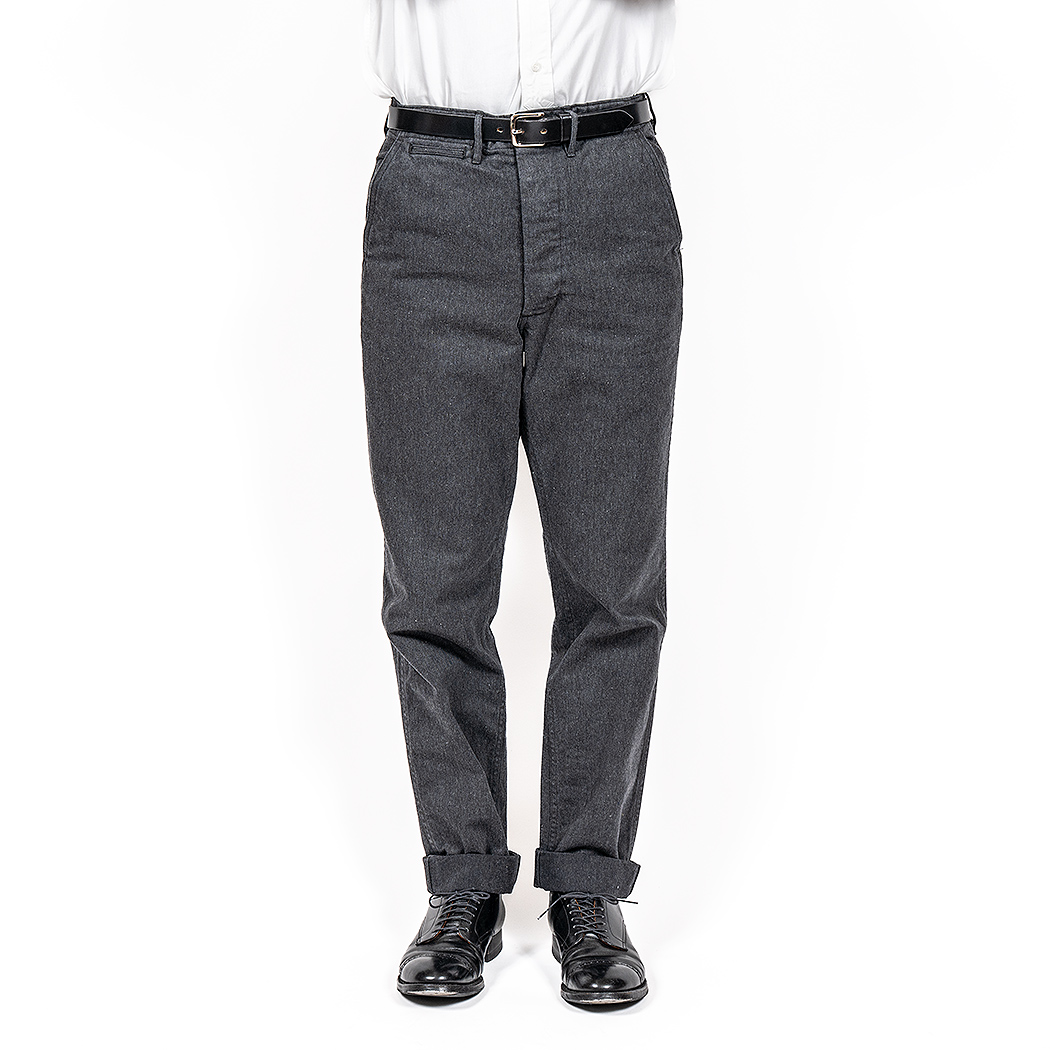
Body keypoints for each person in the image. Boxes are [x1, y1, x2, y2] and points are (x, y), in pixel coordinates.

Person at [359, 0, 682, 1006]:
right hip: (432, 194)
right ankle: (463, 882)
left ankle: (589, 887)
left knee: (614, 576)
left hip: (611, 186)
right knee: (435, 578)